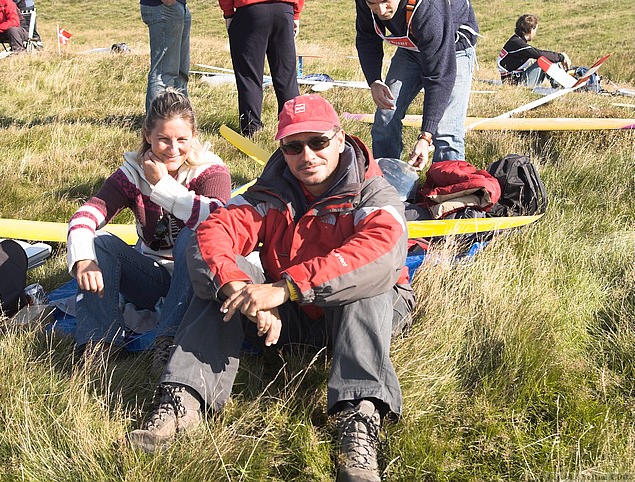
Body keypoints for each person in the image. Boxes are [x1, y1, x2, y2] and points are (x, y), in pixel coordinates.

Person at [127, 94, 416, 482]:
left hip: (360, 312)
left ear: (341, 138)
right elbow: (212, 233)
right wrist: (240, 289)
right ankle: (183, 399)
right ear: (282, 148)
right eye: (294, 146)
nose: (307, 155)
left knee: (367, 285)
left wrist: (285, 289)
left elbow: (380, 254)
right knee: (223, 276)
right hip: (289, 312)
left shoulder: (372, 191)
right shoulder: (271, 191)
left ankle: (359, 422)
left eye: (318, 142)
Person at [66, 89, 231, 366]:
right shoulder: (132, 172)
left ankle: (168, 340)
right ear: (147, 135)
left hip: (195, 278)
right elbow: (87, 213)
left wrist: (162, 186)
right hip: (151, 276)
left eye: (182, 140)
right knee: (99, 243)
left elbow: (219, 219)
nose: (173, 149)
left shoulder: (210, 169)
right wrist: (83, 259)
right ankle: (100, 343)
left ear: (194, 136)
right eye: (163, 140)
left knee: (197, 233)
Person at [355, 0, 479, 170]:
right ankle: (386, 181)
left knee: (446, 131)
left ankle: (450, 188)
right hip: (411, 47)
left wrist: (426, 137)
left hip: (453, 48)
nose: (381, 10)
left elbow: (439, 76)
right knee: (386, 116)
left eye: (385, 1)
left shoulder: (429, 6)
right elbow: (367, 36)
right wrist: (374, 80)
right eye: (373, 3)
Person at [219, 0, 302, 137]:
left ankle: (252, 130)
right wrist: (296, 12)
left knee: (249, 76)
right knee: (287, 78)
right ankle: (293, 128)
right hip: (284, 9)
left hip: (250, 10)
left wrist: (228, 13)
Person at [140, 0, 191, 116]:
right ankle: (157, 122)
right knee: (163, 74)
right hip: (164, 7)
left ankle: (180, 118)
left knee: (180, 74)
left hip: (176, 6)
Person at [497, 14, 571, 87]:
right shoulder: (517, 43)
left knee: (548, 60)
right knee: (544, 61)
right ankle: (563, 84)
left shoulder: (516, 40)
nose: (535, 33)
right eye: (535, 30)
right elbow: (539, 54)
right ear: (531, 29)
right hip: (515, 84)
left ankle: (564, 80)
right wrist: (562, 57)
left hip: (516, 80)